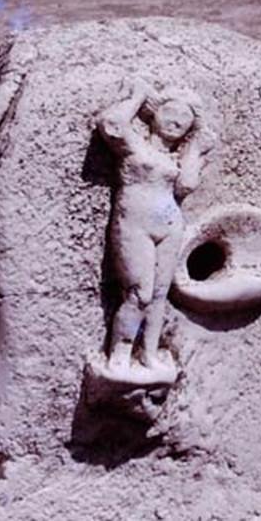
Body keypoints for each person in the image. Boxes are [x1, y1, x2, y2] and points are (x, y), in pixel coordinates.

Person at [97, 77, 214, 376]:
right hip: (135, 223)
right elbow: (111, 124)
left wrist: (196, 152)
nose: (176, 121)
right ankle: (120, 351)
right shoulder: (135, 144)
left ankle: (148, 352)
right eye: (171, 111)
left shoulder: (175, 157)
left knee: (160, 295)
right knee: (140, 293)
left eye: (185, 118)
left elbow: (186, 184)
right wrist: (138, 96)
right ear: (155, 113)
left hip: (169, 224)